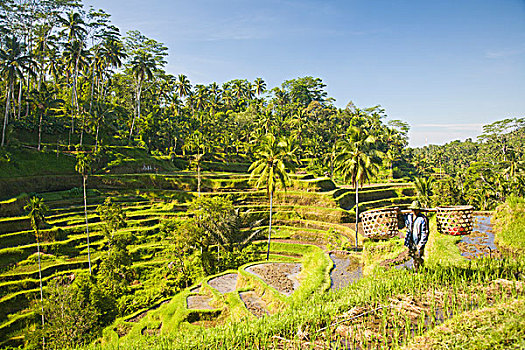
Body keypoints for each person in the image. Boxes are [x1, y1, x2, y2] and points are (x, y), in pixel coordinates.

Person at [399, 200, 429, 270]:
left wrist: (421, 244)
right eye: (413, 209)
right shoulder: (409, 216)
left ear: (419, 210)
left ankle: (418, 270)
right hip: (410, 241)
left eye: (416, 210)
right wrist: (398, 211)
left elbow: (425, 232)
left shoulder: (423, 219)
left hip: (418, 242)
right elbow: (401, 218)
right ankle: (421, 268)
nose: (414, 211)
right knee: (413, 256)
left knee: (418, 256)